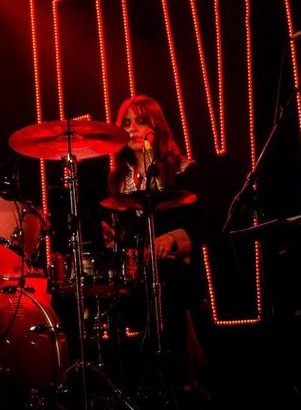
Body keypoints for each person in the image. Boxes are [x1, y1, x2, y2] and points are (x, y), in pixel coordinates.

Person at [106, 95, 209, 400]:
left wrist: (174, 237)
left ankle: (188, 383)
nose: (133, 129)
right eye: (126, 123)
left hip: (177, 273)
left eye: (140, 121)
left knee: (172, 294)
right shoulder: (117, 180)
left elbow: (204, 227)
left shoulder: (183, 170)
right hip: (137, 276)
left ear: (156, 126)